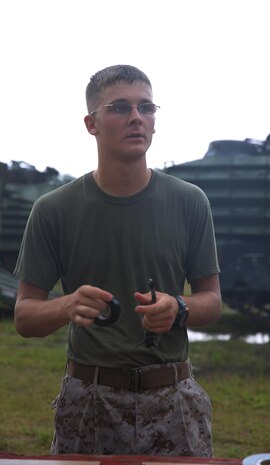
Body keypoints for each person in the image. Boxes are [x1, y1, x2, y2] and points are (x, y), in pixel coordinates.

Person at [14, 64, 222, 457]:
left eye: (146, 108)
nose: (136, 119)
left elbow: (212, 301)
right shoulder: (53, 210)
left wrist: (178, 307)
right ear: (91, 123)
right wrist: (67, 303)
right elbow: (25, 317)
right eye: (120, 108)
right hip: (89, 402)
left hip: (173, 400)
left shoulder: (190, 201)